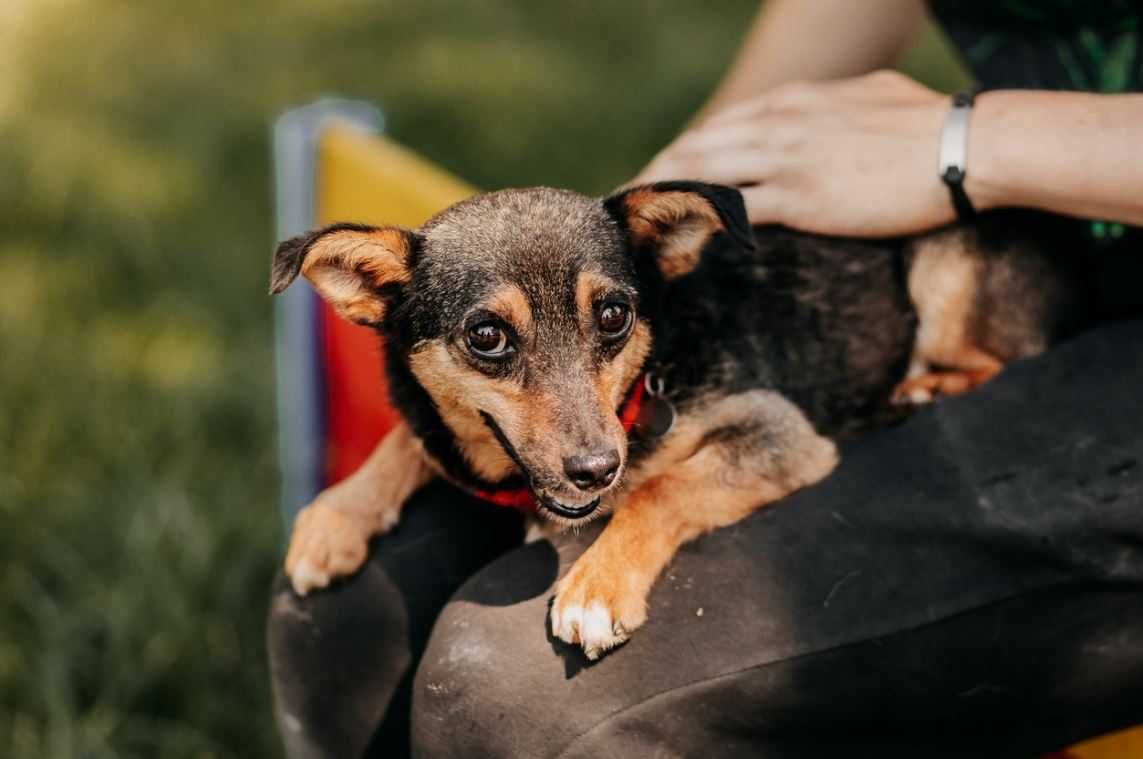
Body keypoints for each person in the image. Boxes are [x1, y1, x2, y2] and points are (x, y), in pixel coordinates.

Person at [267, 2, 1143, 756]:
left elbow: (768, 441)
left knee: (518, 693)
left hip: (1048, 311)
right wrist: (666, 189)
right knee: (350, 620)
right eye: (492, 342)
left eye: (612, 323)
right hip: (934, 208)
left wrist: (963, 144)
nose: (581, 427)